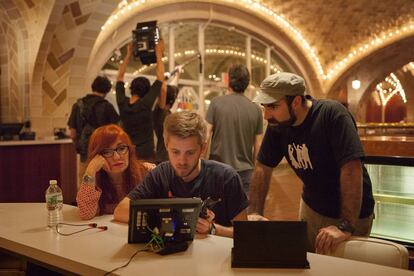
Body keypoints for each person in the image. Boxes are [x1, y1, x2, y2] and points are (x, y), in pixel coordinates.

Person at [248, 72, 375, 254]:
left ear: (296, 102)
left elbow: (351, 168)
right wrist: (254, 213)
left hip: (352, 214)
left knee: (343, 269)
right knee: (308, 262)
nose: (267, 116)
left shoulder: (332, 115)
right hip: (312, 208)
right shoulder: (278, 125)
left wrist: (345, 225)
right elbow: (263, 166)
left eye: (273, 107)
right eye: (264, 107)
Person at [114, 111, 248, 238]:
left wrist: (213, 229)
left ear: (203, 148)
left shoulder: (226, 178)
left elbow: (246, 233)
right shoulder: (161, 174)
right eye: (175, 152)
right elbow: (121, 211)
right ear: (166, 145)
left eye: (190, 153)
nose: (182, 161)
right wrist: (178, 218)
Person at [76, 124, 154, 220]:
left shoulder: (146, 172)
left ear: (130, 151)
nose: (116, 157)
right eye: (107, 152)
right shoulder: (93, 179)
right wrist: (90, 171)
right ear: (97, 157)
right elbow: (86, 214)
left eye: (121, 148)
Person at [205, 64, 263, 193]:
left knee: (216, 212)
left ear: (228, 80)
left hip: (218, 171)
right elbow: (258, 147)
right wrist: (256, 173)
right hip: (246, 174)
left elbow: (206, 136)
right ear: (247, 83)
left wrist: (201, 166)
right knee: (243, 213)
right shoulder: (256, 110)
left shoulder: (216, 103)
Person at [115, 39, 166, 162]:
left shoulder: (122, 103)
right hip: (146, 154)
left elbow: (120, 77)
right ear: (146, 92)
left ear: (131, 88)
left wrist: (128, 54)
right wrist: (158, 52)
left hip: (128, 153)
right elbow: (160, 78)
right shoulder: (145, 104)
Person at [67, 76, 120, 185]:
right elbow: (116, 132)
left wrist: (80, 146)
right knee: (103, 184)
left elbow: (72, 133)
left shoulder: (78, 105)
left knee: (85, 182)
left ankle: (85, 201)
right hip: (104, 154)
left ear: (93, 87)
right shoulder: (107, 106)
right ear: (107, 90)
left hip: (84, 154)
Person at [153, 66, 182, 163]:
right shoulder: (163, 113)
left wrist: (168, 78)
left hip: (164, 158)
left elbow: (171, 91)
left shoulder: (161, 113)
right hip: (164, 159)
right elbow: (168, 91)